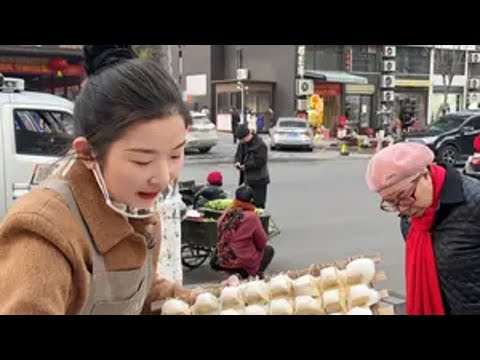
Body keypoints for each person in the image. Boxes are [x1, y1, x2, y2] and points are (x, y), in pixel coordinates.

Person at [0, 45, 199, 315]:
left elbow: (137, 292)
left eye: (175, 155)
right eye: (142, 160)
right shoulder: (43, 233)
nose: (163, 178)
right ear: (87, 153)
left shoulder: (136, 208)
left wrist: (197, 301)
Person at [366, 142, 480, 315]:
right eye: (391, 203)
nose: (402, 208)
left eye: (404, 196)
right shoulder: (410, 219)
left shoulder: (474, 203)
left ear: (425, 174)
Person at [211, 185, 274, 279]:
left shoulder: (226, 214)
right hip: (239, 263)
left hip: (222, 260)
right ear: (251, 200)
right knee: (268, 250)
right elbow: (262, 242)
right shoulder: (251, 217)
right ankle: (256, 275)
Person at [234, 124, 270, 208]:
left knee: (258, 204)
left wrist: (246, 166)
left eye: (243, 139)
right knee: (246, 204)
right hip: (247, 179)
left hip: (259, 179)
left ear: (248, 135)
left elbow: (261, 161)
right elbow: (238, 155)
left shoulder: (260, 145)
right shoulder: (242, 143)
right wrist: (237, 162)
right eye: (241, 140)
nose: (242, 141)